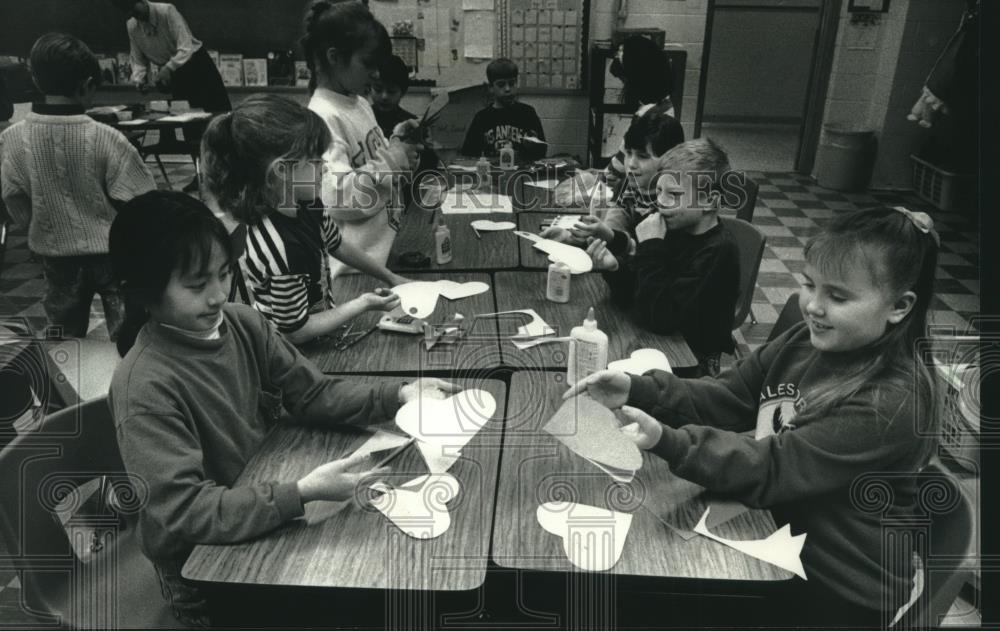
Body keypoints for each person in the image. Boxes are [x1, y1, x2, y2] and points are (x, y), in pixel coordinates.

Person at [567, 206, 941, 628]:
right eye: (809, 284)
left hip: (835, 587)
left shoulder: (891, 401)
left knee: (640, 601)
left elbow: (772, 468)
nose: (813, 306)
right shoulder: (805, 340)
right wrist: (638, 388)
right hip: (778, 534)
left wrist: (666, 440)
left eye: (838, 297)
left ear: (899, 306)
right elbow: (729, 395)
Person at [108, 190, 457, 627]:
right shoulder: (144, 386)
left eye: (222, 274)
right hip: (203, 564)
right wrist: (302, 492)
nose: (217, 296)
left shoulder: (241, 322)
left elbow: (312, 393)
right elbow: (184, 513)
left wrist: (398, 394)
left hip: (263, 497)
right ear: (144, 292)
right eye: (197, 286)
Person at [200, 94, 409, 345]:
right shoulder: (281, 250)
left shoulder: (305, 201)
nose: (324, 167)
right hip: (290, 355)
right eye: (314, 160)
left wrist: (390, 277)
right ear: (282, 172)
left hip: (320, 328)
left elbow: (336, 244)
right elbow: (294, 332)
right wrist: (362, 304)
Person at [0, 33, 156, 340]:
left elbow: (13, 197)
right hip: (112, 254)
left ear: (36, 80)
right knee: (129, 331)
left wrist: (38, 227)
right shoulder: (106, 137)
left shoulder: (13, 139)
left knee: (63, 330)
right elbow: (144, 199)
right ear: (86, 85)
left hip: (55, 256)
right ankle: (129, 382)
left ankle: (64, 383)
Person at [585, 138, 738, 373]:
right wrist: (616, 268)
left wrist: (652, 247)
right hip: (659, 339)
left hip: (692, 361)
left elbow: (660, 317)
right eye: (658, 191)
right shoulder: (676, 229)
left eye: (674, 194)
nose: (661, 202)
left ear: (708, 201)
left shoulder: (718, 251)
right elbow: (637, 295)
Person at [301, 1, 422, 282]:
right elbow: (338, 198)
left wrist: (399, 143)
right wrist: (393, 159)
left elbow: (375, 166)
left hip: (382, 255)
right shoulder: (322, 117)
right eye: (368, 64)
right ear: (334, 57)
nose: (376, 74)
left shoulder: (358, 102)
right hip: (353, 272)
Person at [110, 0, 232, 192]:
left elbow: (185, 47)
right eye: (129, 12)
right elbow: (137, 57)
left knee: (217, 123)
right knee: (190, 127)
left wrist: (168, 69)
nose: (135, 15)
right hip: (177, 74)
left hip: (198, 68)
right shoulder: (132, 25)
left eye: (136, 8)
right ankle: (202, 176)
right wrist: (139, 78)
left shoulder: (167, 11)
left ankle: (229, 176)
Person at [542, 107, 684, 250]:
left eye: (642, 156)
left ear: (669, 159)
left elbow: (651, 256)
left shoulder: (677, 205)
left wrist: (611, 240)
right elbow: (612, 234)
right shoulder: (627, 186)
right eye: (628, 153)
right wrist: (575, 239)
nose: (631, 164)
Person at [460, 58, 546, 159]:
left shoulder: (527, 113)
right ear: (491, 88)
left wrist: (532, 147)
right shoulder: (482, 117)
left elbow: (542, 152)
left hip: (522, 171)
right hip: (492, 172)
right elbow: (468, 153)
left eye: (512, 83)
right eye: (501, 84)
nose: (507, 89)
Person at [371, 54, 415, 139]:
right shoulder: (362, 118)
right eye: (378, 90)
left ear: (402, 93)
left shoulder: (411, 124)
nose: (384, 97)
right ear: (369, 88)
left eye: (391, 91)